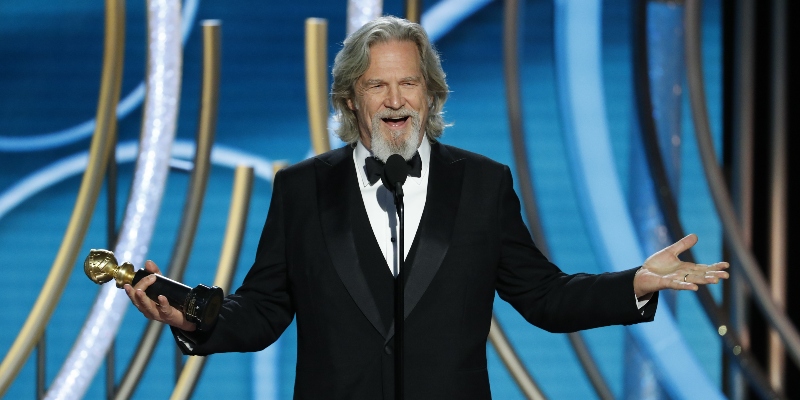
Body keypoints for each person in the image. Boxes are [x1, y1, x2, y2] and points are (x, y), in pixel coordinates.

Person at [125, 16, 729, 399]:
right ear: (350, 98)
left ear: (431, 92)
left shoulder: (484, 184)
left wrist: (639, 282)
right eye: (376, 85)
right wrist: (192, 319)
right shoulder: (301, 188)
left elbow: (546, 298)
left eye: (408, 83)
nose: (395, 100)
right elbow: (262, 311)